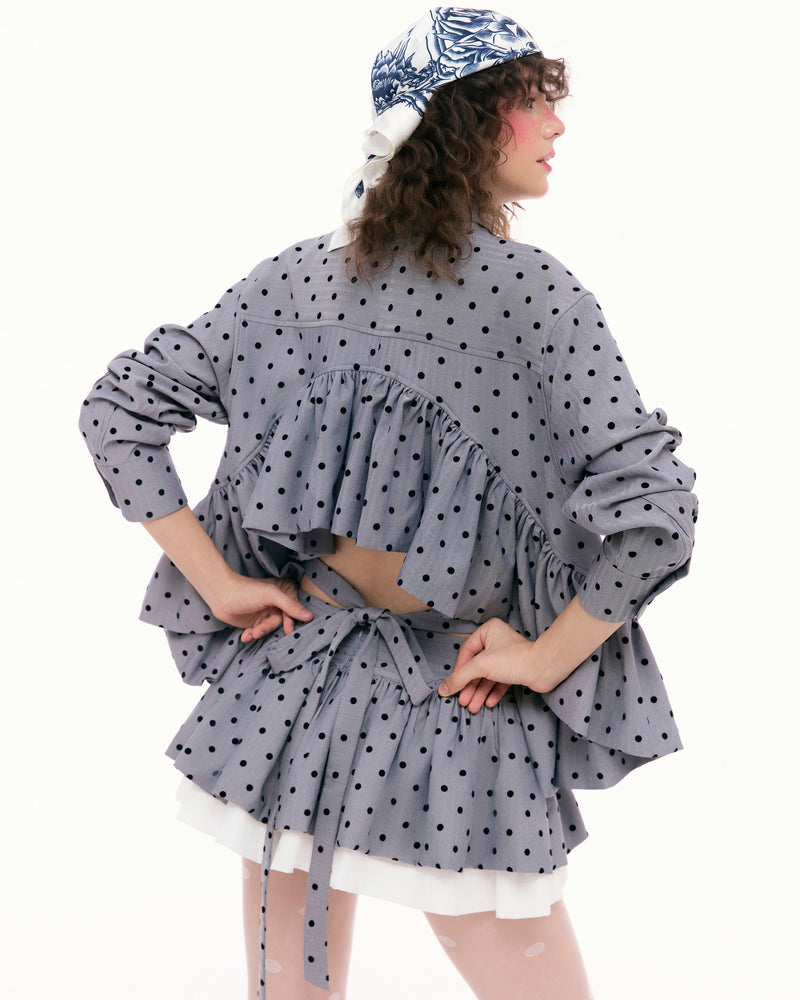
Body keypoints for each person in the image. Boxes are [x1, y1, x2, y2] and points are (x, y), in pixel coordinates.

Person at [79, 7, 697, 999]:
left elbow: (117, 412)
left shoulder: (297, 281)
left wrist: (220, 584)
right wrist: (545, 656)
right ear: (464, 122)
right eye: (529, 100)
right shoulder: (536, 297)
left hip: (294, 701)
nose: (555, 124)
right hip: (461, 706)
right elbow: (656, 515)